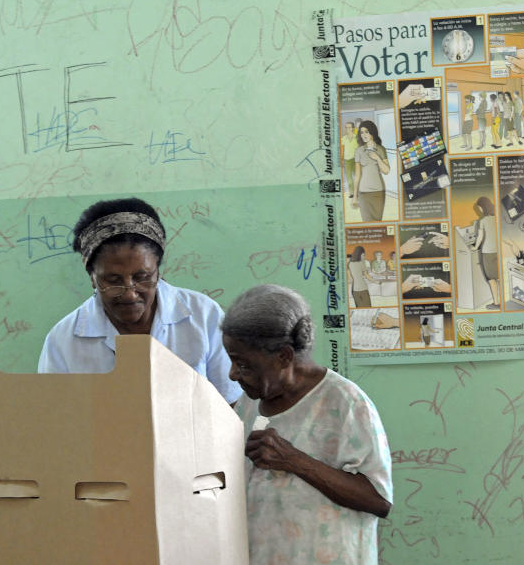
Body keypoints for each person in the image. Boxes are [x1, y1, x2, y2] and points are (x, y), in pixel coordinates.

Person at [222, 285, 392, 565]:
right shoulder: (248, 403)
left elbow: (379, 500)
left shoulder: (344, 402)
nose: (232, 374)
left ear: (284, 357)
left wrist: (293, 460)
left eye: (243, 364)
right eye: (231, 360)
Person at [37, 197, 242, 404]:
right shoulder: (63, 340)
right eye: (113, 280)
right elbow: (56, 420)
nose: (130, 294)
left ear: (158, 271)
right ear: (92, 277)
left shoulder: (204, 315)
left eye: (142, 278)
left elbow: (230, 404)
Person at [351, 120, 390, 222]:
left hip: (379, 192)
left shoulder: (381, 149)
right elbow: (357, 175)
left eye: (366, 132)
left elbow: (386, 171)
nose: (364, 135)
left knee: (378, 222)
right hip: (363, 193)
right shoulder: (358, 151)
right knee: (366, 222)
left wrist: (377, 157)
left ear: (372, 132)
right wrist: (355, 196)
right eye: (362, 132)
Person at [471, 196, 501, 310]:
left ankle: (496, 303)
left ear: (483, 207)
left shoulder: (483, 221)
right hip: (497, 251)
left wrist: (475, 248)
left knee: (491, 280)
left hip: (487, 253)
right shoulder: (497, 218)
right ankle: (502, 301)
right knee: (499, 278)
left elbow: (480, 237)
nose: (480, 211)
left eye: (480, 208)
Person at [341, 122, 358, 197]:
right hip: (346, 160)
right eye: (346, 127)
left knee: (357, 176)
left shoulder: (357, 138)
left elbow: (359, 150)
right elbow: (342, 149)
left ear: (353, 128)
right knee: (349, 178)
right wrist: (341, 159)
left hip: (355, 160)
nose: (348, 129)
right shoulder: (343, 138)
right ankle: (351, 193)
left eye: (349, 127)